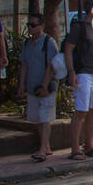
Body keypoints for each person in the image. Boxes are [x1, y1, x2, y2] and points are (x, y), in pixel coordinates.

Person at [62, 0, 93, 160]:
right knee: (81, 111)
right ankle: (75, 149)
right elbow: (68, 49)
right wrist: (71, 71)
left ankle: (89, 145)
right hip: (83, 73)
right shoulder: (79, 26)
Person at [19, 12, 59, 161]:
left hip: (46, 87)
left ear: (41, 26)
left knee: (45, 117)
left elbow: (51, 66)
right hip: (32, 86)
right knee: (36, 118)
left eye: (33, 25)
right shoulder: (27, 43)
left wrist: (44, 85)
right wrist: (21, 85)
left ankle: (42, 149)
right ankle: (45, 145)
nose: (30, 28)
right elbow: (23, 65)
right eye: (28, 25)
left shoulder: (48, 42)